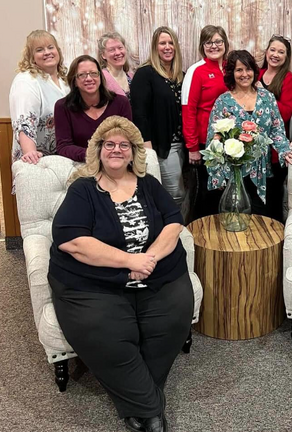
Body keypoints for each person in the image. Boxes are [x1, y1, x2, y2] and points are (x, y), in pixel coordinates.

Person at [48, 116, 193, 432]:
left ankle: (138, 399)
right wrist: (130, 261)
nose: (116, 149)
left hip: (156, 273)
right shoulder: (83, 189)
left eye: (124, 145)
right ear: (99, 150)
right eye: (109, 144)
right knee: (106, 334)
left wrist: (148, 260)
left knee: (171, 322)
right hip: (93, 283)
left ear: (133, 152)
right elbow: (72, 241)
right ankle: (150, 409)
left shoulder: (148, 184)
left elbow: (173, 221)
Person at [206, 50, 292, 215]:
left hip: (262, 171)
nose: (244, 74)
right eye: (239, 70)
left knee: (260, 217)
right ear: (232, 73)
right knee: (235, 216)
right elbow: (213, 139)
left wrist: (284, 150)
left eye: (248, 69)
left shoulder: (267, 98)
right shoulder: (222, 102)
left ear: (254, 71)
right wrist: (216, 173)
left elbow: (276, 129)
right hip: (233, 171)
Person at [131, 26, 185, 207]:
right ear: (155, 47)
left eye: (171, 43)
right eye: (162, 43)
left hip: (184, 145)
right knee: (175, 195)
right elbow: (139, 114)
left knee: (184, 193)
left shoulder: (181, 76)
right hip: (162, 145)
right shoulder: (145, 74)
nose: (167, 47)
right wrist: (147, 148)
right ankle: (173, 225)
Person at [181, 25, 229, 219]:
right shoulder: (196, 71)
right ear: (202, 46)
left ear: (225, 43)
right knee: (207, 192)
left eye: (218, 41)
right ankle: (203, 230)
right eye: (209, 42)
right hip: (205, 142)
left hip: (231, 142)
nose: (214, 46)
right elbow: (188, 109)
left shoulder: (232, 67)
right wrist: (192, 146)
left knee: (227, 190)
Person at [54, 55, 132, 162]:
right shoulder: (62, 107)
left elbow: (128, 138)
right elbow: (64, 146)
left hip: (117, 162)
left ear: (100, 77)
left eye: (93, 73)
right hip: (82, 164)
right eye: (82, 75)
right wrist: (94, 154)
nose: (89, 79)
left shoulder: (121, 102)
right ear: (74, 80)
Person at [9, 30, 69, 165]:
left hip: (62, 158)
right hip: (37, 160)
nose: (47, 52)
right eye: (39, 50)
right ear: (31, 57)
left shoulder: (65, 81)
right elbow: (24, 123)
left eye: (50, 47)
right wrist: (31, 154)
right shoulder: (26, 80)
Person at [258, 35, 292, 221]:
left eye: (281, 52)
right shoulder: (256, 74)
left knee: (273, 199)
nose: (275, 55)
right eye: (273, 50)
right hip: (254, 150)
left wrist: (263, 92)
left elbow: (286, 113)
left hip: (275, 152)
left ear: (286, 57)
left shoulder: (289, 79)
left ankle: (274, 234)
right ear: (266, 52)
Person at [98, 32, 134, 101]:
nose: (118, 53)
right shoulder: (101, 79)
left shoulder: (132, 77)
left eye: (120, 48)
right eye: (112, 50)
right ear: (103, 55)